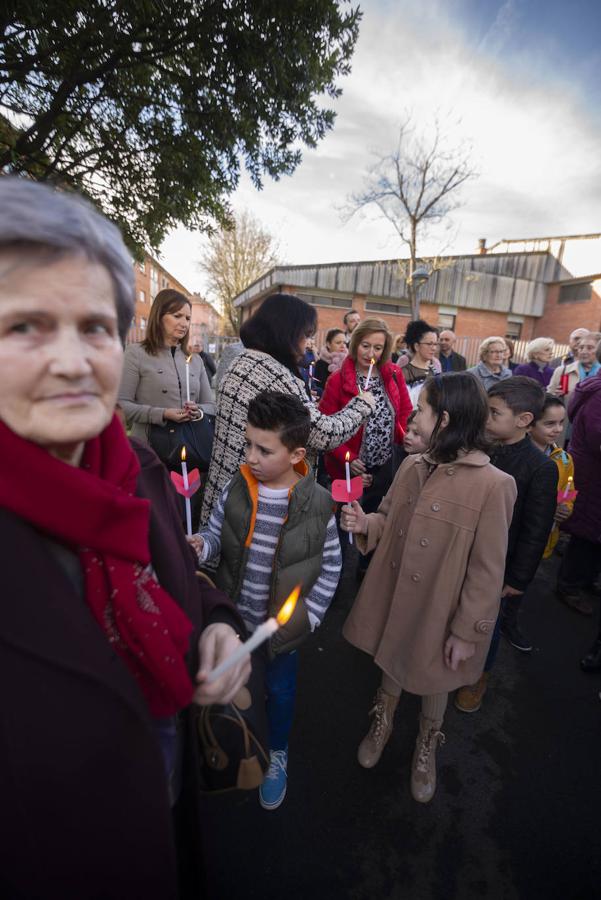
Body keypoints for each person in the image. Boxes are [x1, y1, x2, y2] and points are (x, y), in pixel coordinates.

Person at [0, 177, 248, 900]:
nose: (74, 362)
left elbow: (178, 575)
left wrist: (219, 626)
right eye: (24, 327)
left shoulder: (130, 463)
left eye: (95, 327)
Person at [340, 372, 516, 803]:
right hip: (396, 591)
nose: (415, 415)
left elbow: (488, 570)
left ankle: (426, 742)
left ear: (444, 420)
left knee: (434, 671)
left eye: (422, 409)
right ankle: (383, 718)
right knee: (392, 653)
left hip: (443, 604)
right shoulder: (410, 467)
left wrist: (466, 631)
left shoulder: (494, 485)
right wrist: (367, 524)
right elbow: (387, 518)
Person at [188, 392, 341, 810]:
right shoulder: (238, 487)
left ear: (297, 454)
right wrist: (201, 544)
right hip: (235, 621)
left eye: (264, 449)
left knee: (280, 691)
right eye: (248, 444)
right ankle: (231, 743)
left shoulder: (319, 507)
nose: (251, 457)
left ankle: (275, 752)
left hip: (281, 633)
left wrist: (308, 619)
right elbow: (217, 533)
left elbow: (330, 567)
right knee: (236, 688)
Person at [201, 294, 374, 524]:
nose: (307, 344)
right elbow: (322, 434)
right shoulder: (274, 372)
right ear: (287, 332)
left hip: (226, 491)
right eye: (305, 335)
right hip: (253, 500)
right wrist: (362, 405)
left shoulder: (243, 359)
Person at [455, 377, 557, 713]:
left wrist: (518, 578)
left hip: (500, 563)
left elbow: (535, 528)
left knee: (488, 622)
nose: (485, 418)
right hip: (463, 549)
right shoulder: (479, 446)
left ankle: (478, 675)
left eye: (494, 413)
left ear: (524, 420)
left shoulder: (540, 467)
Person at [319, 318, 412, 569]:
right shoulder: (338, 380)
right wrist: (347, 457)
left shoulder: (393, 373)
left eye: (378, 348)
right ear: (355, 344)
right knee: (344, 523)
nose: (371, 354)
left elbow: (404, 411)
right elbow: (325, 426)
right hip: (349, 467)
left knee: (374, 520)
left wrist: (405, 441)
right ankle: (334, 573)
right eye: (365, 346)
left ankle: (366, 571)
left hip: (384, 464)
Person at [119, 289, 214, 443]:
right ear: (159, 316)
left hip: (189, 446)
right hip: (150, 448)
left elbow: (211, 406)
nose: (184, 323)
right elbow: (122, 405)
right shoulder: (136, 353)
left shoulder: (195, 359)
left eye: (188, 318)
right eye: (177, 316)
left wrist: (199, 411)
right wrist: (162, 414)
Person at [557, 354, 601, 630]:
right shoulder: (598, 393)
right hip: (591, 472)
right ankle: (569, 586)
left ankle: (584, 580)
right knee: (587, 533)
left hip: (592, 471)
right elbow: (597, 435)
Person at [529, 396, 574, 562]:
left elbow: (568, 487)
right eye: (550, 424)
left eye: (561, 422)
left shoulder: (564, 459)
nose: (558, 429)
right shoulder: (518, 456)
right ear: (529, 424)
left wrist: (566, 506)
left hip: (545, 536)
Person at [548, 331, 601, 446]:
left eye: (590, 348)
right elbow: (546, 401)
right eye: (581, 347)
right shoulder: (562, 371)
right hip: (565, 433)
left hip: (593, 437)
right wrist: (555, 397)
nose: (583, 351)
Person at [402, 319, 441, 405]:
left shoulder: (435, 371)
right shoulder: (403, 374)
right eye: (429, 344)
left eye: (435, 344)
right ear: (416, 346)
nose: (434, 348)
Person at [314, 327, 348, 394]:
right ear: (328, 344)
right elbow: (320, 388)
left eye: (344, 342)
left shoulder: (350, 362)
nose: (343, 346)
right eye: (338, 343)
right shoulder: (320, 364)